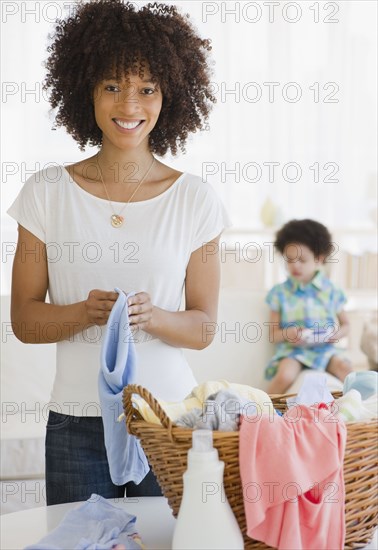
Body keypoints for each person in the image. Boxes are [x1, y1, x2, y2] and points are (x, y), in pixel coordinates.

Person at [7, 0, 230, 505]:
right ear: (85, 89)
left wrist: (152, 317)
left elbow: (204, 327)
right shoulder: (45, 193)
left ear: (169, 95)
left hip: (169, 420)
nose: (129, 106)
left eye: (146, 89)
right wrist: (85, 313)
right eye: (112, 86)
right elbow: (24, 320)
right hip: (76, 423)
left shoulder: (195, 199)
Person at [265, 219, 353, 394]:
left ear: (319, 258)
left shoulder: (331, 291)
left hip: (325, 349)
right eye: (289, 260)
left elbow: (346, 325)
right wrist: (287, 333)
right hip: (293, 351)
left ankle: (362, 409)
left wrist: (336, 334)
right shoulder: (279, 293)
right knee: (285, 376)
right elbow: (273, 335)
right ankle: (258, 408)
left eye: (302, 260)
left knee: (345, 368)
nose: (295, 265)